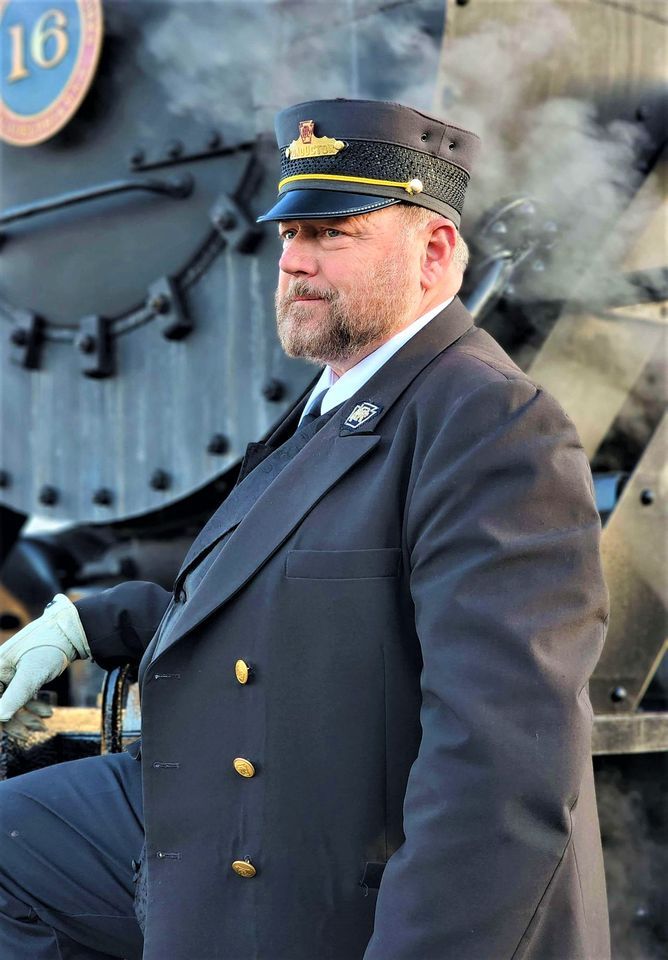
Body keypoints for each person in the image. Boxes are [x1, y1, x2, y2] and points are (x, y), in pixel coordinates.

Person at [0, 98, 610, 960]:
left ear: (435, 251)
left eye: (333, 234)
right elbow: (302, 608)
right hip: (246, 816)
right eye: (290, 234)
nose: (294, 260)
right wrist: (92, 619)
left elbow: (503, 766)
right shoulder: (339, 399)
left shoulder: (488, 420)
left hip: (331, 877)